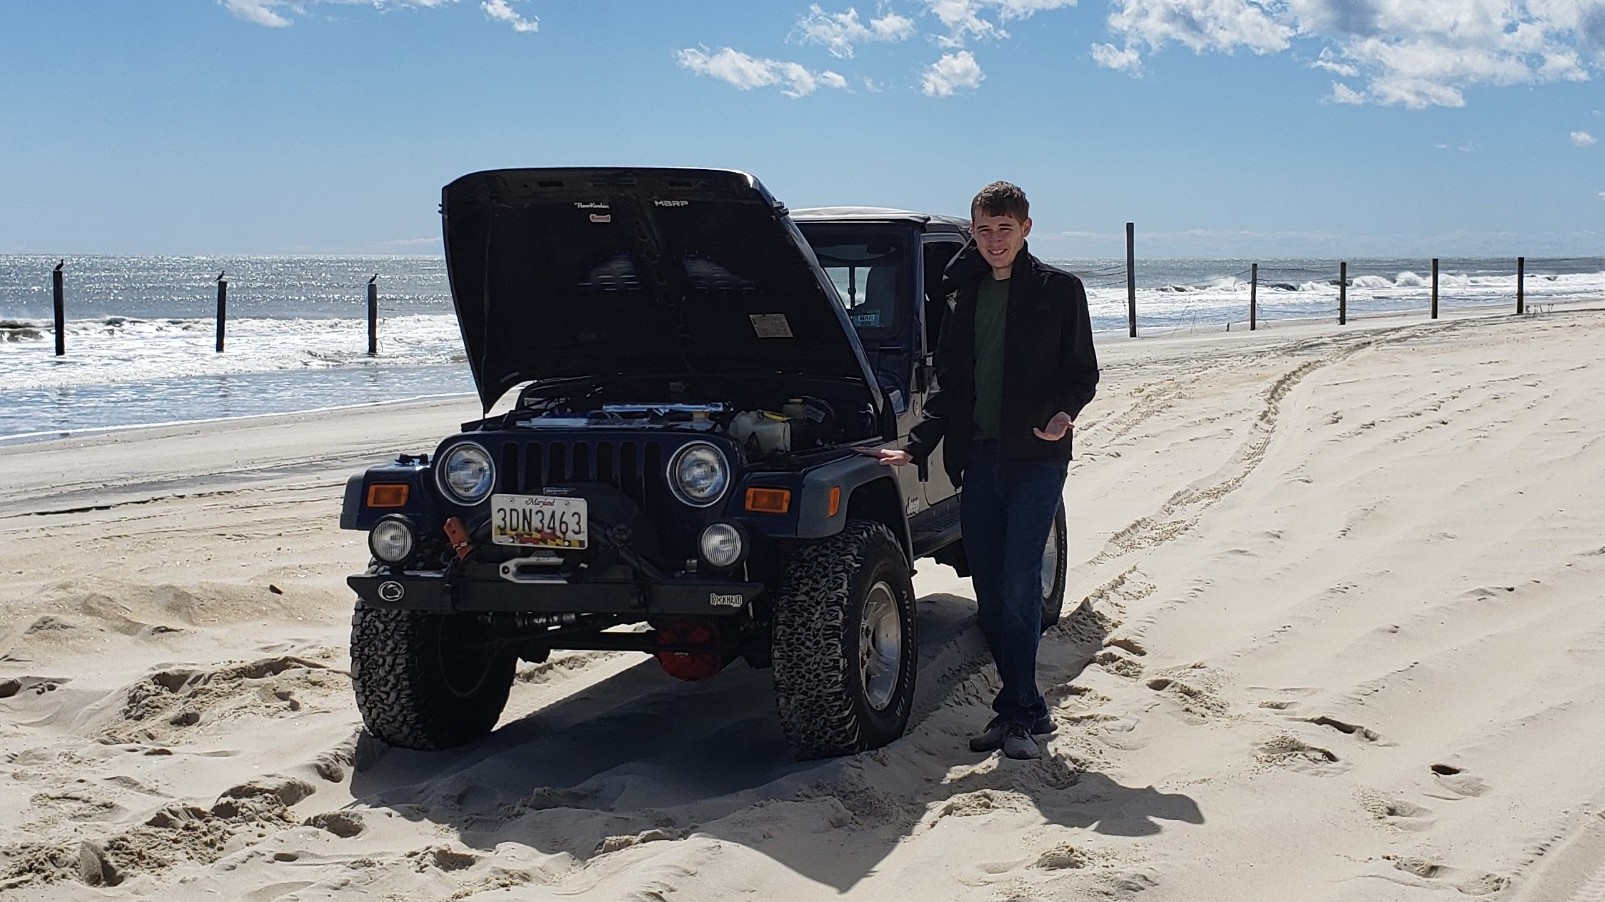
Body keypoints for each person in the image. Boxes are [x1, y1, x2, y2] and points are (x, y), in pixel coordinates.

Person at [857, 180, 1098, 760]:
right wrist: (916, 446)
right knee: (990, 589)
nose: (994, 241)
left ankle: (1015, 714)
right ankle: (1028, 709)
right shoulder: (962, 297)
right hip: (979, 458)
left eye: (1005, 230)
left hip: (1037, 458)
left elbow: (1082, 372)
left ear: (1026, 229)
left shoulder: (1059, 291)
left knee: (1018, 582)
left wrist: (1064, 413)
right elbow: (949, 388)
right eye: (984, 231)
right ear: (973, 232)